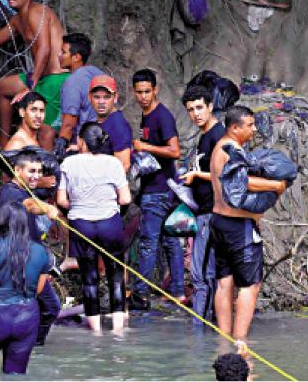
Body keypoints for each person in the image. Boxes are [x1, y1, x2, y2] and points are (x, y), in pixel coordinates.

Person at [210, 106, 286, 342]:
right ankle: (240, 343)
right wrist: (275, 186)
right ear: (235, 128)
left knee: (225, 283)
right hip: (238, 226)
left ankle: (224, 342)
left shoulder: (219, 148)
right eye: (250, 125)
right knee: (249, 285)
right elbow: (242, 183)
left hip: (219, 222)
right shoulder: (231, 149)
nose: (254, 129)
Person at [0, 0, 68, 149]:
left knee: (44, 131)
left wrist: (30, 86)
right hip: (40, 77)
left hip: (55, 79)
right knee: (3, 86)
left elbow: (44, 49)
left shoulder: (37, 12)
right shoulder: (18, 19)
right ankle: (4, 143)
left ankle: (45, 171)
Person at [57, 123, 131, 335]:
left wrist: (80, 206)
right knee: (116, 277)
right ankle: (118, 332)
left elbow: (61, 200)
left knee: (89, 279)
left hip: (81, 225)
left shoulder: (69, 163)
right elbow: (125, 198)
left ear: (81, 141)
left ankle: (96, 333)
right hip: (110, 223)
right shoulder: (113, 163)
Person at [0, 201, 50, 375]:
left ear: (2, 221)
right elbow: (38, 290)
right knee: (16, 374)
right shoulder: (41, 251)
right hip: (27, 317)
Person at [129, 68, 185, 309]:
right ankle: (178, 292)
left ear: (156, 90)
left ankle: (140, 294)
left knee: (149, 242)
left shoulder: (162, 116)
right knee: (170, 241)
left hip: (160, 189)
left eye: (147, 92)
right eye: (139, 92)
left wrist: (145, 147)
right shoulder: (146, 115)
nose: (143, 96)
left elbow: (175, 151)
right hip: (159, 186)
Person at [0, 150, 61, 346]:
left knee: (47, 309)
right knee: (47, 308)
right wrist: (48, 208)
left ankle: (30, 348)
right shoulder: (10, 192)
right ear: (17, 170)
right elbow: (30, 205)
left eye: (39, 171)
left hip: (31, 261)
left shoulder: (23, 190)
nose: (36, 176)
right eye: (31, 171)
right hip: (18, 264)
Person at [180, 85, 225, 322]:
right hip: (203, 213)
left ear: (210, 107)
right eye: (190, 110)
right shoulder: (205, 136)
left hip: (213, 214)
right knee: (204, 274)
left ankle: (201, 329)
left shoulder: (218, 136)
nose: (196, 114)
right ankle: (207, 327)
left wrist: (197, 176)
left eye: (199, 108)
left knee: (202, 275)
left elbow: (226, 173)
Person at [55, 32, 105, 158]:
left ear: (76, 57)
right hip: (105, 141)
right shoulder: (100, 74)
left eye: (63, 52)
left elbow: (68, 124)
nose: (59, 55)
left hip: (85, 147)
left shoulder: (72, 82)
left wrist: (61, 145)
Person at [89, 75, 133, 174]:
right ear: (89, 98)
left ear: (115, 98)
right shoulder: (100, 121)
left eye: (106, 97)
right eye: (96, 97)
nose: (101, 102)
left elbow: (124, 166)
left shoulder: (118, 125)